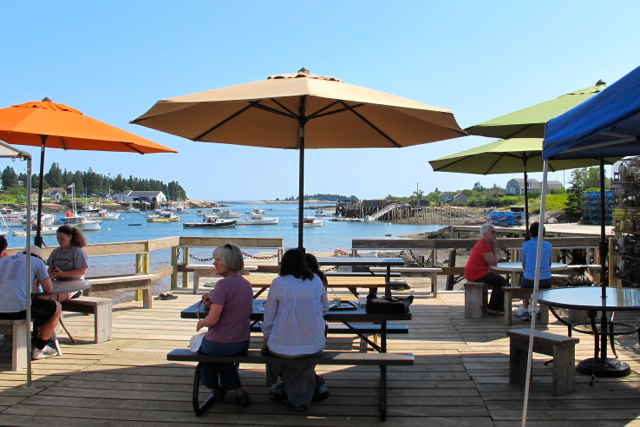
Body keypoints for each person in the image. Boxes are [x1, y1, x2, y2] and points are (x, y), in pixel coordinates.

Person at [261, 248, 330, 411]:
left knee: (273, 350)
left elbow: (269, 316)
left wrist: (265, 342)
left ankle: (293, 388)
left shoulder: (278, 283)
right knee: (300, 359)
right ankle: (307, 384)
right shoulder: (316, 281)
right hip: (314, 346)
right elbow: (325, 308)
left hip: (281, 347)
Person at [197, 243, 253, 406]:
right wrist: (213, 303)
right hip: (242, 343)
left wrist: (202, 322)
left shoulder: (222, 285)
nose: (214, 263)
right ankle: (238, 390)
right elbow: (233, 306)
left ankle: (214, 387)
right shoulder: (246, 284)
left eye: (218, 259)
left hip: (220, 344)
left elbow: (212, 320)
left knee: (204, 351)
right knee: (222, 357)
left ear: (228, 261)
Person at [0, 242, 62, 360]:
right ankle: (40, 348)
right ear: (38, 257)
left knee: (36, 305)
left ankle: (33, 340)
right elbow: (48, 289)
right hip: (18, 311)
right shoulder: (36, 262)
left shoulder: (4, 260)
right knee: (56, 307)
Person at [464, 224, 505, 316]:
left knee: (500, 281)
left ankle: (497, 307)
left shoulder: (486, 244)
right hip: (476, 273)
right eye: (493, 232)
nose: (495, 234)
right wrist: (495, 248)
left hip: (479, 271)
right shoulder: (483, 245)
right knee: (501, 281)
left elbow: (493, 262)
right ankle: (493, 308)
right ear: (485, 234)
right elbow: (493, 263)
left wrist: (493, 247)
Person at [45, 225, 89, 302]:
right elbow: (50, 268)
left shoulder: (77, 251)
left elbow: (82, 271)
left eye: (62, 238)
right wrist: (51, 274)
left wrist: (62, 274)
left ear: (70, 237)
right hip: (57, 284)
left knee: (51, 300)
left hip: (74, 286)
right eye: (58, 238)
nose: (59, 241)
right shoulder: (56, 251)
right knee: (41, 297)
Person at [520, 222, 553, 321]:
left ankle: (525, 310)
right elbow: (549, 263)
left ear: (531, 233)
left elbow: (523, 264)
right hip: (546, 278)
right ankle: (541, 311)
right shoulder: (548, 245)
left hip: (530, 278)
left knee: (523, 281)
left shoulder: (526, 244)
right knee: (543, 289)